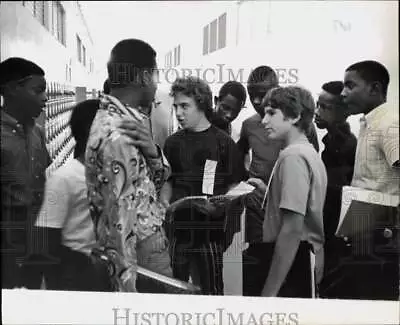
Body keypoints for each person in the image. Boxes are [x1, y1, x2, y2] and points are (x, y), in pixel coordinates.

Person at [85, 39, 173, 292]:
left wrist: (153, 152)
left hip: (146, 245)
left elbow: (151, 185)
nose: (157, 84)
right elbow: (119, 224)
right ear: (145, 77)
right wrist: (127, 293)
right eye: (155, 76)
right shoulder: (119, 134)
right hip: (142, 255)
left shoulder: (129, 123)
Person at [161, 76, 243, 295]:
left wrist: (224, 204)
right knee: (173, 291)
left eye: (185, 106)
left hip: (210, 232)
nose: (178, 113)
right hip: (177, 232)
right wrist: (164, 203)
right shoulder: (172, 143)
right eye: (176, 106)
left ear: (202, 105)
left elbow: (236, 185)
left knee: (212, 292)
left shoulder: (223, 143)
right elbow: (169, 180)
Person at [34, 99, 111, 291]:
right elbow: (46, 238)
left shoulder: (113, 175)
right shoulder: (64, 179)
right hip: (77, 274)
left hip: (107, 273)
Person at [259, 86, 327, 297]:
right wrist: (268, 193)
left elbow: (292, 228)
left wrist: (269, 293)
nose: (264, 121)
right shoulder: (308, 151)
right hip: (306, 258)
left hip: (294, 263)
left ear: (295, 116)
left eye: (271, 113)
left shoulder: (293, 157)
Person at [340, 60, 399, 300]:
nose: (343, 93)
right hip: (366, 233)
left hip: (382, 236)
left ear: (374, 88)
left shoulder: (389, 123)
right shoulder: (369, 122)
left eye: (350, 85)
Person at [0, 57, 50, 289]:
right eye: (38, 91)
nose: (45, 98)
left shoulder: (38, 133)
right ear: (11, 90)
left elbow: (45, 179)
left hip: (36, 242)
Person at [314, 81, 357, 298]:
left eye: (325, 107)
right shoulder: (329, 142)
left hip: (342, 237)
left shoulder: (349, 146)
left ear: (343, 112)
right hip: (329, 234)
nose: (317, 112)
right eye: (317, 105)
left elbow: (342, 195)